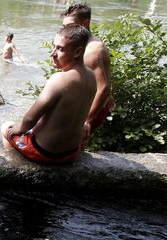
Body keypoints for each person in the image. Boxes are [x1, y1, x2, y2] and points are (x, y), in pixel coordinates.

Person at [0, 24, 96, 165]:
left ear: (78, 52)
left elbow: (30, 119)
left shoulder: (59, 79)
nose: (53, 53)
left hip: (45, 153)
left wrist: (14, 130)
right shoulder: (91, 76)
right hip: (71, 152)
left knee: (6, 127)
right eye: (54, 46)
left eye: (60, 48)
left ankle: (14, 166)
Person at [62, 2, 115, 138]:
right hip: (88, 105)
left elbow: (104, 88)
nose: (66, 31)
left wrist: (87, 120)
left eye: (70, 26)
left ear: (85, 24)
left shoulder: (93, 50)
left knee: (72, 143)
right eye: (64, 27)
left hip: (92, 110)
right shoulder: (85, 43)